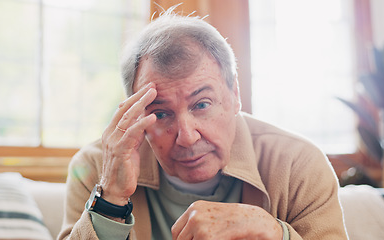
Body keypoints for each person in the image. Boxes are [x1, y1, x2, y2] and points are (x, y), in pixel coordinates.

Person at [58, 11, 348, 240]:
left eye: (202, 104)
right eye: (160, 114)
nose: (186, 136)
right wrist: (110, 199)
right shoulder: (96, 168)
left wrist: (272, 231)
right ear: (134, 114)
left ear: (235, 95)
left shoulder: (298, 165)